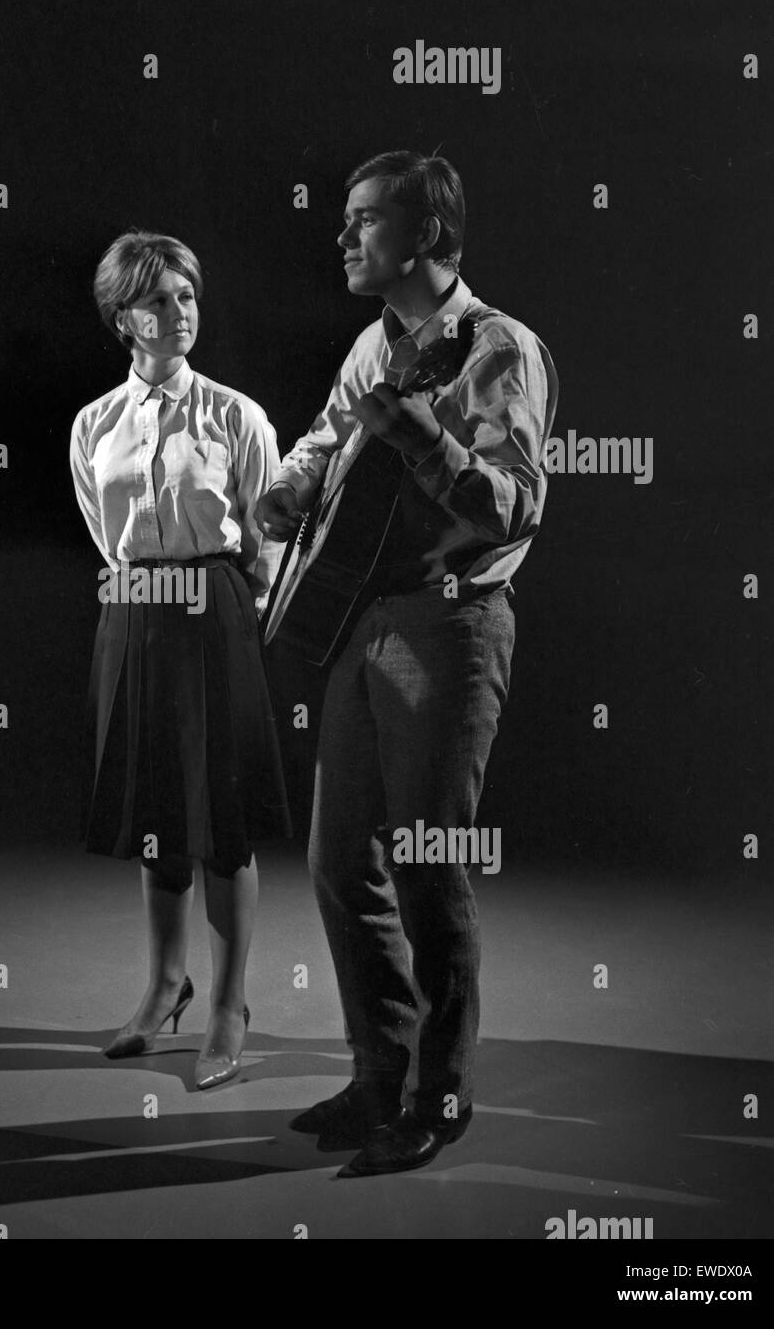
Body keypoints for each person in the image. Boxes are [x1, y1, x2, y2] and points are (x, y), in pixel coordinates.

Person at [256, 151, 557, 1174]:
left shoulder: (496, 349)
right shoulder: (371, 342)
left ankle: (439, 1092)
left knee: (428, 864)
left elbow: (515, 503)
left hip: (447, 628)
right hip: (362, 623)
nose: (343, 237)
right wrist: (290, 489)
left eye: (365, 220)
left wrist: (428, 441)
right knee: (341, 861)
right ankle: (380, 1075)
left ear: (425, 234)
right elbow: (325, 436)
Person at [70, 231, 291, 1090]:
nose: (180, 312)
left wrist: (236, 615)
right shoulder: (94, 423)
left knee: (221, 825)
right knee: (155, 815)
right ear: (124, 316)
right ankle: (166, 986)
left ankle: (230, 1007)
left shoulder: (238, 416)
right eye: (160, 299)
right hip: (132, 613)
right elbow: (104, 529)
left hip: (214, 615)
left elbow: (265, 541)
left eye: (188, 295)